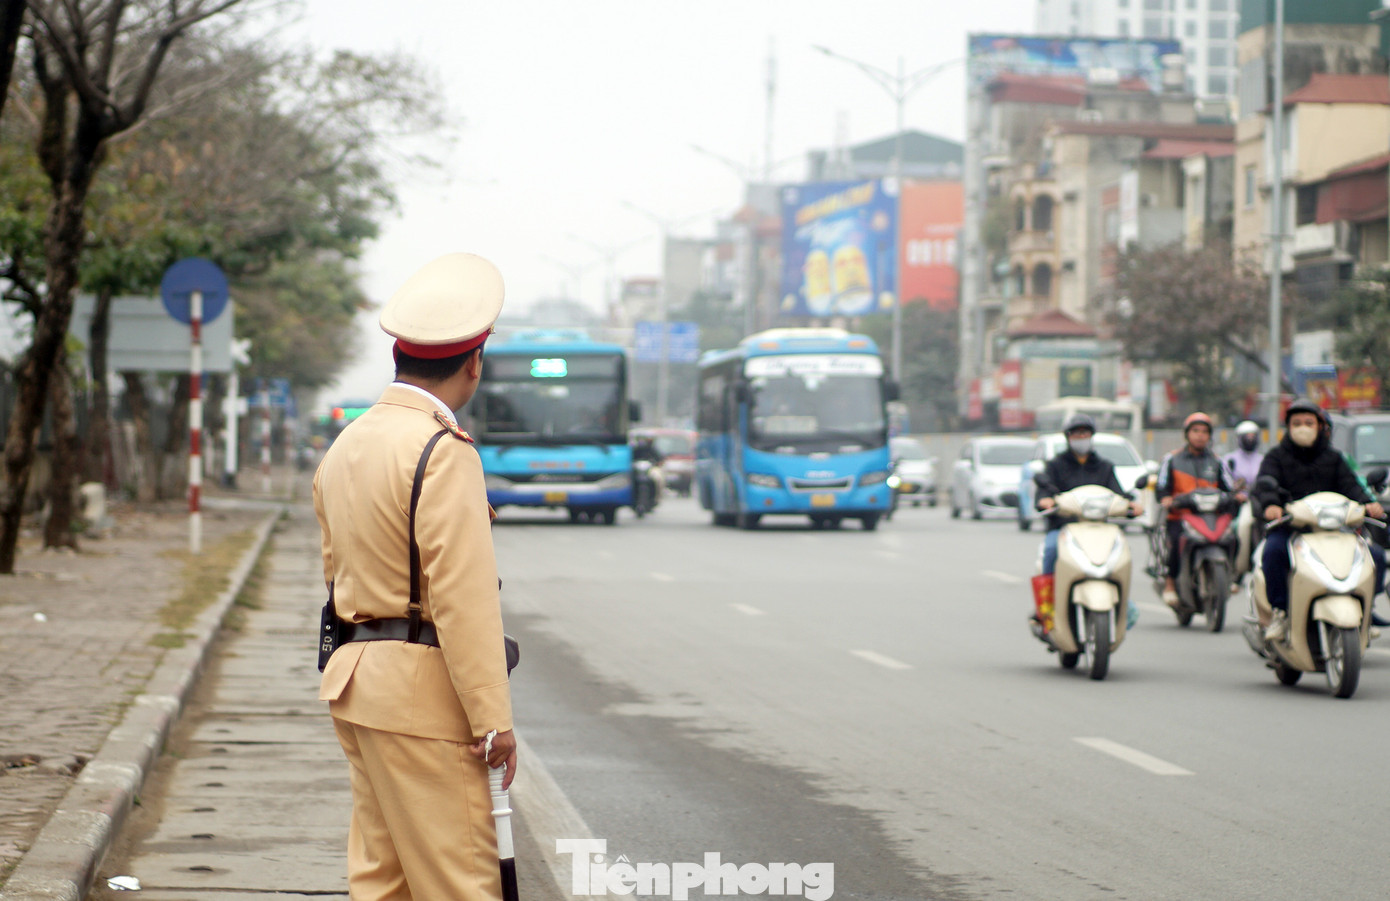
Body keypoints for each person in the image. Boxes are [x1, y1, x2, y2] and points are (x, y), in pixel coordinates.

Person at [313, 253, 516, 900]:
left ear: (399, 355)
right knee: (463, 885)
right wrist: (493, 719)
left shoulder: (348, 443)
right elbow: (463, 598)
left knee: (384, 883)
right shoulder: (442, 449)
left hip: (356, 683)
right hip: (421, 699)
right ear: (474, 362)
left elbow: (334, 570)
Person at [1252, 398, 1386, 641]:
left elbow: (1352, 487)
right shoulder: (1276, 456)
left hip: (1334, 528)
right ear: (1289, 427)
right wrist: (1271, 505)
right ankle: (1280, 612)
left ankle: (1367, 609)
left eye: (1308, 422)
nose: (1302, 427)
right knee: (1273, 553)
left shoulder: (1334, 458)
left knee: (1374, 556)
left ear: (1320, 426)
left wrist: (1368, 504)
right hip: (1291, 527)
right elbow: (1265, 484)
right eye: (1296, 423)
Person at [1034, 413, 1143, 628]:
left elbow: (1117, 494)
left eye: (1085, 432)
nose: (1081, 437)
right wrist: (1045, 501)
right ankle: (1045, 609)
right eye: (1076, 433)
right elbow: (1043, 492)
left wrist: (1130, 504)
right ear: (1068, 437)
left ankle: (1123, 604)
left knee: (1121, 554)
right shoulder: (1055, 465)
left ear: (1092, 436)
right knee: (1051, 551)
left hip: (1100, 528)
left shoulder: (1104, 467)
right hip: (1064, 527)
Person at [1155, 411, 1233, 607]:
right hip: (1180, 516)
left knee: (1233, 538)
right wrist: (1166, 498)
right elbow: (1161, 486)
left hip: (1210, 516)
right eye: (1195, 431)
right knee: (1174, 542)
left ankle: (1231, 576)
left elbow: (1228, 488)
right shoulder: (1172, 459)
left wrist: (1236, 496)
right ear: (1187, 434)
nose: (1200, 435)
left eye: (1204, 431)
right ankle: (1170, 583)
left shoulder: (1217, 461)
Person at [1223, 420, 1264, 490]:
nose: (1250, 440)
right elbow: (1227, 481)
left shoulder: (1263, 460)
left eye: (1253, 436)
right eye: (1247, 437)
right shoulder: (1230, 459)